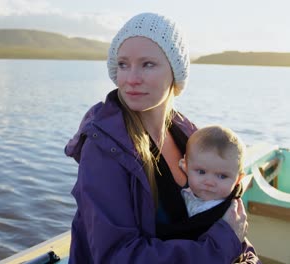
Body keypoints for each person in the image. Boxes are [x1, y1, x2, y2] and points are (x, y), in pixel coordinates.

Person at [65, 12, 260, 263]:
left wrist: (246, 257)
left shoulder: (187, 134)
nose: (131, 78)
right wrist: (221, 246)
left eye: (147, 64)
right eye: (123, 64)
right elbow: (117, 256)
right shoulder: (105, 148)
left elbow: (228, 221)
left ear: (175, 70)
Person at [157, 125, 246, 241]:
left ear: (238, 179)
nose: (209, 182)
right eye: (201, 172)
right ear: (185, 167)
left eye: (222, 176)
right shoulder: (187, 194)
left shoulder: (228, 214)